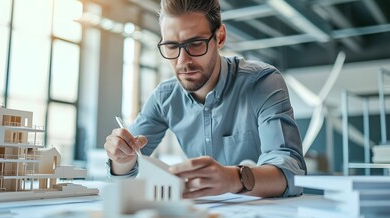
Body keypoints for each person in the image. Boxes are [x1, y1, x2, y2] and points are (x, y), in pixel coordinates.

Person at [104, 0, 306, 198]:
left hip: (265, 217)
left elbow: (291, 170)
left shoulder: (262, 82)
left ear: (220, 37)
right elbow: (126, 175)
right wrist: (122, 159)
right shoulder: (164, 97)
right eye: (172, 46)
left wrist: (234, 178)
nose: (183, 61)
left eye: (196, 44)